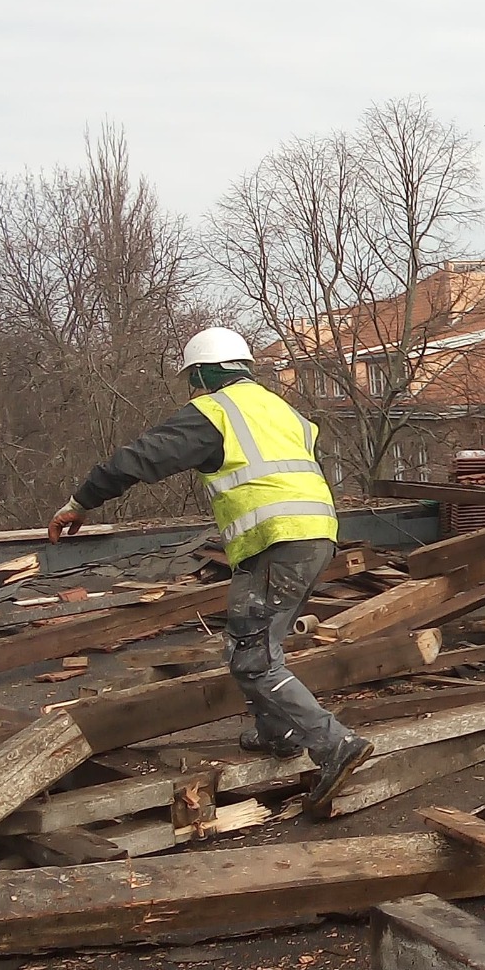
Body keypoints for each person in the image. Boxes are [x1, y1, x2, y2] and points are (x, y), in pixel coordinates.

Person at [48, 328, 373, 815]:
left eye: (192, 380)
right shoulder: (283, 411)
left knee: (255, 658)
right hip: (316, 534)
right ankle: (278, 732)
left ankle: (334, 743)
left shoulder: (216, 412)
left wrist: (81, 502)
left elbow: (139, 458)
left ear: (201, 372)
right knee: (256, 642)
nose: (193, 389)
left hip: (274, 541)